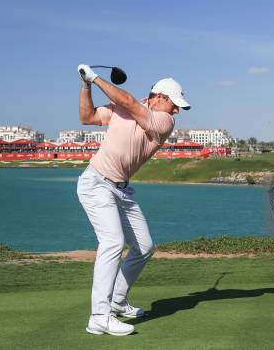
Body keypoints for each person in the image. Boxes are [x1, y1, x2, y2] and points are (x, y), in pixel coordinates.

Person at [76, 64, 190, 336]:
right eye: (175, 104)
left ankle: (117, 301)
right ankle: (99, 317)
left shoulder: (164, 122)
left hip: (122, 191)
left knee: (145, 247)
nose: (177, 111)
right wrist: (86, 85)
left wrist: (95, 77)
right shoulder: (122, 106)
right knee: (113, 242)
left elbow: (127, 101)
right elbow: (87, 117)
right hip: (96, 183)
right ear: (159, 96)